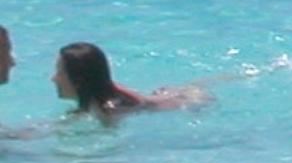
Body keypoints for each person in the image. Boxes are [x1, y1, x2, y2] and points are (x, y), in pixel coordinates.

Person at [53, 42, 203, 118]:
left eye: (60, 73)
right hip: (171, 93)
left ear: (79, 79)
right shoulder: (104, 92)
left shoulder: (110, 109)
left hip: (192, 100)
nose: (53, 79)